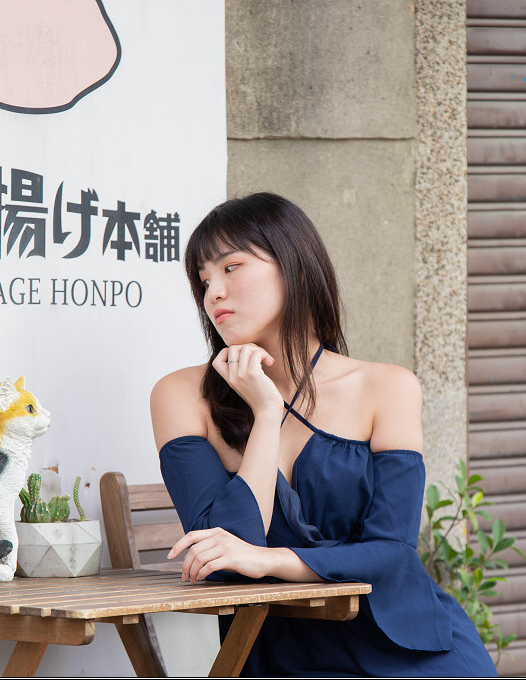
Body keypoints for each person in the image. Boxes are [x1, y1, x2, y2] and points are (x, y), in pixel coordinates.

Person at [150, 192, 497, 676]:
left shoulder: (388, 388)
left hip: (405, 642)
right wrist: (266, 413)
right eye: (204, 280)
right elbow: (226, 557)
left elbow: (391, 551)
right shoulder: (182, 395)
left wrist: (270, 561)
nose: (214, 294)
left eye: (231, 267)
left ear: (293, 267)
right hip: (281, 648)